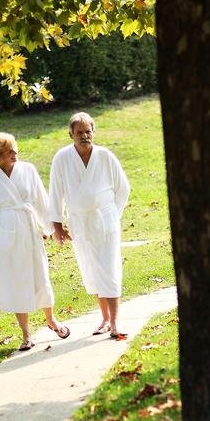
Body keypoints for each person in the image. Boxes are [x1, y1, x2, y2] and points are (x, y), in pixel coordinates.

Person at [0, 132, 70, 351]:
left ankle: (51, 320)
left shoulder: (28, 170)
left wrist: (52, 227)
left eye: (15, 149)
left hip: (29, 231)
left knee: (40, 275)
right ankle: (26, 334)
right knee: (16, 281)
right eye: (8, 151)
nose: (14, 153)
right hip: (5, 235)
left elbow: (41, 200)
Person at [49, 112, 131, 339]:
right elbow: (55, 192)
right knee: (92, 270)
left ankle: (115, 322)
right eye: (79, 132)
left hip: (105, 221)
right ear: (71, 134)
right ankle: (104, 318)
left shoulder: (105, 156)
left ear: (93, 132)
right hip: (80, 223)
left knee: (109, 268)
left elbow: (123, 189)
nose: (84, 136)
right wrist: (57, 225)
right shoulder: (62, 158)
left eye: (88, 131)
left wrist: (113, 214)